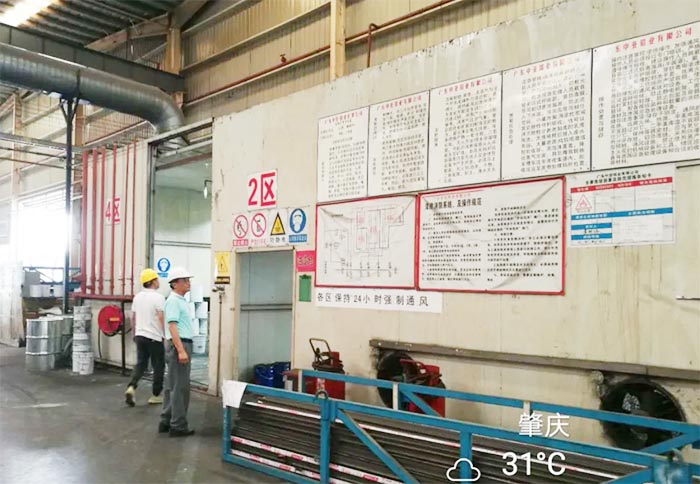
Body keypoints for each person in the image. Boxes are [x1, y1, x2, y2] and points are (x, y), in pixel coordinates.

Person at [159, 267, 195, 437]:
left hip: (178, 344)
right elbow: (172, 326)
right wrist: (181, 350)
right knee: (180, 388)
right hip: (180, 344)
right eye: (185, 280)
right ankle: (178, 425)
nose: (188, 283)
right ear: (174, 284)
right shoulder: (174, 301)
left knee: (172, 386)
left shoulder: (179, 300)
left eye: (188, 280)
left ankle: (166, 420)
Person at [125, 268, 166, 407]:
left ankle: (132, 386)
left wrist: (134, 334)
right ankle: (156, 395)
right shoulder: (159, 297)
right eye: (157, 279)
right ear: (153, 281)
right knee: (158, 365)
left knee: (141, 364)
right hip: (154, 337)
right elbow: (161, 317)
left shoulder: (137, 297)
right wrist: (165, 335)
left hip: (140, 336)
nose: (158, 281)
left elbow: (133, 318)